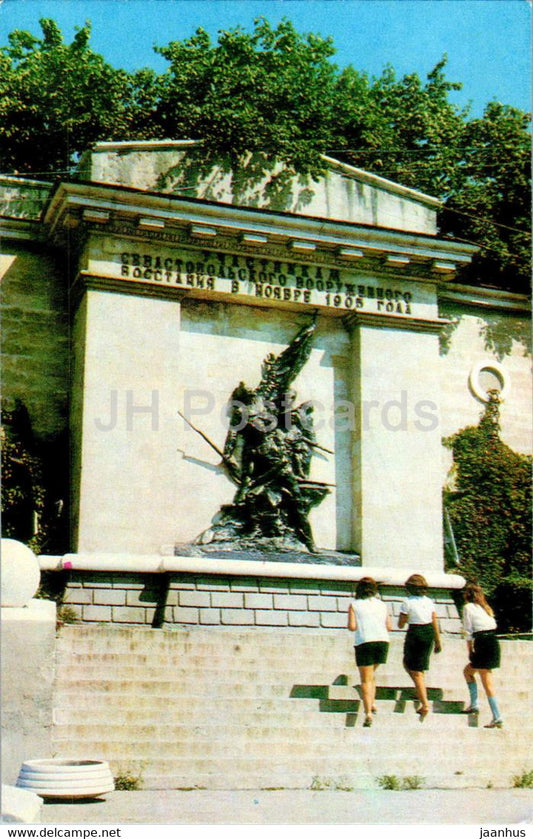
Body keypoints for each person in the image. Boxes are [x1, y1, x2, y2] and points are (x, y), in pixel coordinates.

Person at [347, 577, 391, 728]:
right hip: (383, 641)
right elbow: (389, 626)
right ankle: (372, 703)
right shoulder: (382, 605)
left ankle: (368, 713)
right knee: (371, 675)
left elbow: (352, 626)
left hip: (365, 641)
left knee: (365, 679)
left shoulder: (354, 605)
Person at [398, 573, 442, 720]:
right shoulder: (429, 601)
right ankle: (419, 688)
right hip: (428, 632)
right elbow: (434, 621)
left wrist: (403, 618)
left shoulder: (407, 602)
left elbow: (401, 623)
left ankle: (424, 703)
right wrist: (438, 640)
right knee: (418, 667)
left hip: (415, 632)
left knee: (413, 668)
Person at [461, 583, 503, 728]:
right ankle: (474, 704)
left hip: (482, 642)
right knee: (468, 672)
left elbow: (468, 631)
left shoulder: (467, 608)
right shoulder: (486, 608)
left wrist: (470, 651)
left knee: (487, 682)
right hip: (493, 641)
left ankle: (497, 716)